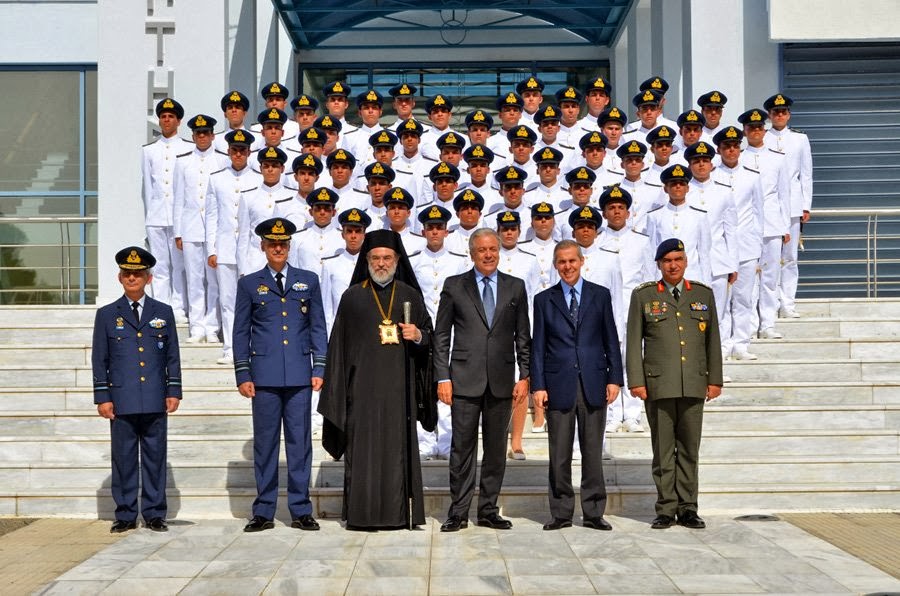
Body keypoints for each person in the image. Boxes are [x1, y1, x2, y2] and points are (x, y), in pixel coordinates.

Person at [319, 230, 436, 530]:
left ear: (397, 260)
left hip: (400, 394)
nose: (381, 263)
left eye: (387, 258)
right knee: (363, 455)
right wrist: (338, 395)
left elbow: (430, 338)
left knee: (397, 455)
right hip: (361, 394)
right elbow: (338, 350)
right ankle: (362, 516)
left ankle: (399, 516)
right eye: (375, 258)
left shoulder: (410, 295)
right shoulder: (352, 297)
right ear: (366, 260)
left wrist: (418, 335)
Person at [233, 217, 328, 532]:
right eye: (272, 244)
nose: (278, 248)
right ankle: (263, 510)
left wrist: (319, 366)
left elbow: (317, 326)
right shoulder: (249, 284)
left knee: (300, 444)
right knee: (266, 445)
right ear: (263, 246)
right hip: (263, 377)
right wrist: (243, 373)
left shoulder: (308, 280)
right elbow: (240, 331)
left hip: (299, 375)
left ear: (289, 246)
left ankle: (301, 509)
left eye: (283, 243)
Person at [434, 228, 531, 532]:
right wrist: (442, 377)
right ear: (472, 253)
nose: (488, 255)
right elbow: (441, 335)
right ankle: (458, 512)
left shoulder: (515, 287)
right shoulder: (454, 286)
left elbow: (523, 336)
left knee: (495, 449)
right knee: (462, 448)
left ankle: (488, 510)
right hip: (464, 379)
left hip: (502, 380)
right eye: (482, 250)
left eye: (493, 249)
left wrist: (525, 375)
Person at [626, 238, 723, 530]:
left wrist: (715, 379)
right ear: (659, 264)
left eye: (678, 259)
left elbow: (713, 340)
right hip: (659, 385)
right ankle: (666, 508)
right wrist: (637, 380)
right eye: (667, 261)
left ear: (686, 262)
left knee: (690, 449)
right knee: (664, 451)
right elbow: (634, 342)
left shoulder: (703, 294)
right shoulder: (644, 296)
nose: (673, 265)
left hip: (693, 382)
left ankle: (688, 508)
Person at [532, 240, 622, 531]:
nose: (567, 267)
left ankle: (594, 512)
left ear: (582, 261)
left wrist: (614, 378)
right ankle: (561, 512)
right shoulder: (544, 300)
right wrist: (538, 386)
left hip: (593, 382)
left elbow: (610, 338)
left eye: (572, 261)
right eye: (562, 262)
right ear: (555, 265)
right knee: (559, 453)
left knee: (592, 452)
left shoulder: (600, 295)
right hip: (558, 383)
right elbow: (538, 346)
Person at [91, 246, 182, 533]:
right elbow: (100, 359)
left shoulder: (163, 312)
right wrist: (103, 396)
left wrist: (174, 390)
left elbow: (172, 355)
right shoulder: (107, 315)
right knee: (124, 459)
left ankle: (154, 513)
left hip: (155, 397)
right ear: (120, 277)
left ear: (148, 278)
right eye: (127, 273)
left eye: (138, 274)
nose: (132, 278)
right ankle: (126, 514)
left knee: (155, 458)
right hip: (122, 399)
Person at [141, 97, 192, 320]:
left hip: (180, 217)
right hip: (156, 215)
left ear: (178, 121)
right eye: (163, 116)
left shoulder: (188, 148)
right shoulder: (149, 150)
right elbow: (147, 188)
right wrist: (148, 217)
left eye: (171, 116)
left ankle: (179, 307)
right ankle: (161, 306)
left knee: (179, 265)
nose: (167, 120)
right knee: (159, 265)